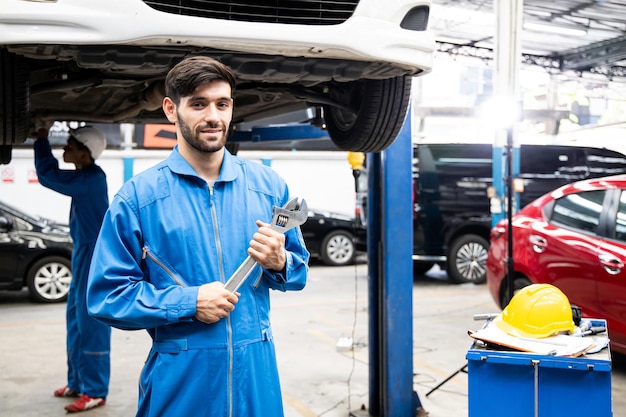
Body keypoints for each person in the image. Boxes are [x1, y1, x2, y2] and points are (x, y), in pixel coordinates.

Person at [86, 56, 310, 417]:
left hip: (257, 376)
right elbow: (106, 296)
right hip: (181, 381)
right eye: (199, 104)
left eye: (222, 104)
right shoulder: (138, 198)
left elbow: (298, 274)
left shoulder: (269, 187)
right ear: (171, 110)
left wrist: (280, 262)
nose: (213, 116)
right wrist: (188, 302)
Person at [34, 126, 111, 413]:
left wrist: (41, 139)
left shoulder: (92, 178)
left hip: (95, 257)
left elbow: (48, 175)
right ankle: (77, 382)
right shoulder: (85, 177)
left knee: (92, 324)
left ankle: (95, 390)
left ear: (84, 151)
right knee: (75, 322)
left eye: (69, 145)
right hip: (83, 254)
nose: (64, 149)